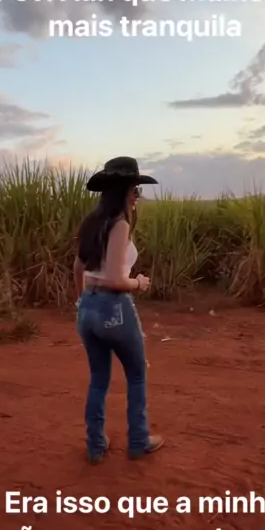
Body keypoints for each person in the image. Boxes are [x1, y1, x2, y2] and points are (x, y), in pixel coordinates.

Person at [73, 156, 165, 464]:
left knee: (99, 379)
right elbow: (114, 279)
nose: (137, 195)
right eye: (134, 189)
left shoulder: (91, 222)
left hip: (88, 308)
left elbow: (78, 267)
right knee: (136, 374)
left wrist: (82, 302)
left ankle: (95, 445)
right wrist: (138, 283)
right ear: (122, 191)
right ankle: (138, 441)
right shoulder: (120, 224)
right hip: (114, 307)